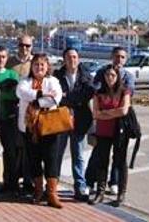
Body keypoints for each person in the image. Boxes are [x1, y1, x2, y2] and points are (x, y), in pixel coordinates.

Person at [17, 53, 64, 209]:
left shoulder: (53, 81)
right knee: (34, 160)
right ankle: (38, 191)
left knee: (51, 160)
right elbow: (21, 93)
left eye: (42, 64)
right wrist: (41, 94)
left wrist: (35, 99)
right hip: (30, 128)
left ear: (47, 66)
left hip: (50, 127)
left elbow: (55, 99)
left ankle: (52, 194)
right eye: (36, 64)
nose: (39, 67)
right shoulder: (25, 81)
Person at [86, 65, 131, 207]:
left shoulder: (124, 91)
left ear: (118, 77)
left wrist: (106, 113)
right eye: (107, 75)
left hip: (119, 132)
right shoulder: (99, 93)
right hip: (103, 131)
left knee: (120, 162)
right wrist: (113, 112)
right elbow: (95, 113)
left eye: (113, 75)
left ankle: (121, 194)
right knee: (102, 162)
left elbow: (124, 110)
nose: (110, 78)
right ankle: (100, 192)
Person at [54, 48, 94, 201]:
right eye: (69, 57)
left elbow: (87, 94)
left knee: (78, 155)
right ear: (64, 59)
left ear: (78, 58)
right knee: (57, 154)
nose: (72, 60)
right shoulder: (57, 76)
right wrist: (71, 98)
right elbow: (56, 95)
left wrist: (67, 97)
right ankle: (53, 183)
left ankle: (79, 186)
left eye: (75, 57)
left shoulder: (85, 75)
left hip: (80, 121)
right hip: (61, 119)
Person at [93, 46, 134, 194]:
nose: (119, 59)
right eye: (117, 56)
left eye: (123, 57)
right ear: (112, 56)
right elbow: (96, 94)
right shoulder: (102, 72)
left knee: (119, 158)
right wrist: (107, 112)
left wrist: (106, 112)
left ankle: (115, 183)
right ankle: (94, 184)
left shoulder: (128, 77)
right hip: (103, 127)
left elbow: (125, 107)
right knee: (100, 156)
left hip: (121, 125)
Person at [0, 46, 21, 195]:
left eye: (3, 56)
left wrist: (0, 94)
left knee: (10, 152)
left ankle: (11, 183)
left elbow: (14, 96)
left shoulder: (12, 74)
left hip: (8, 119)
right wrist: (3, 92)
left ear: (7, 58)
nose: (0, 59)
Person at [8, 34, 35, 194]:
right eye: (21, 45)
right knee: (12, 148)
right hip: (12, 110)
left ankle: (27, 181)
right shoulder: (11, 62)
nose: (24, 48)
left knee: (27, 148)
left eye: (27, 45)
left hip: (30, 112)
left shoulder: (35, 63)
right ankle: (11, 180)